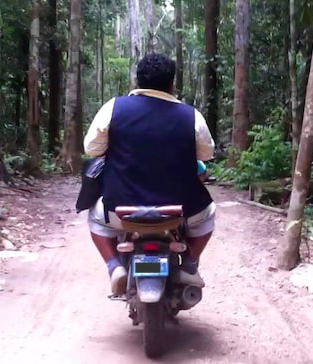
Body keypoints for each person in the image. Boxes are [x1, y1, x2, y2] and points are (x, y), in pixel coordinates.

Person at [84, 53, 216, 296]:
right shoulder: (191, 116)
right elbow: (206, 154)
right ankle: (188, 265)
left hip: (120, 210)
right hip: (178, 211)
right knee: (207, 216)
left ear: (138, 81)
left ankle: (115, 267)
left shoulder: (114, 108)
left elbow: (92, 149)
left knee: (96, 220)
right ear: (171, 83)